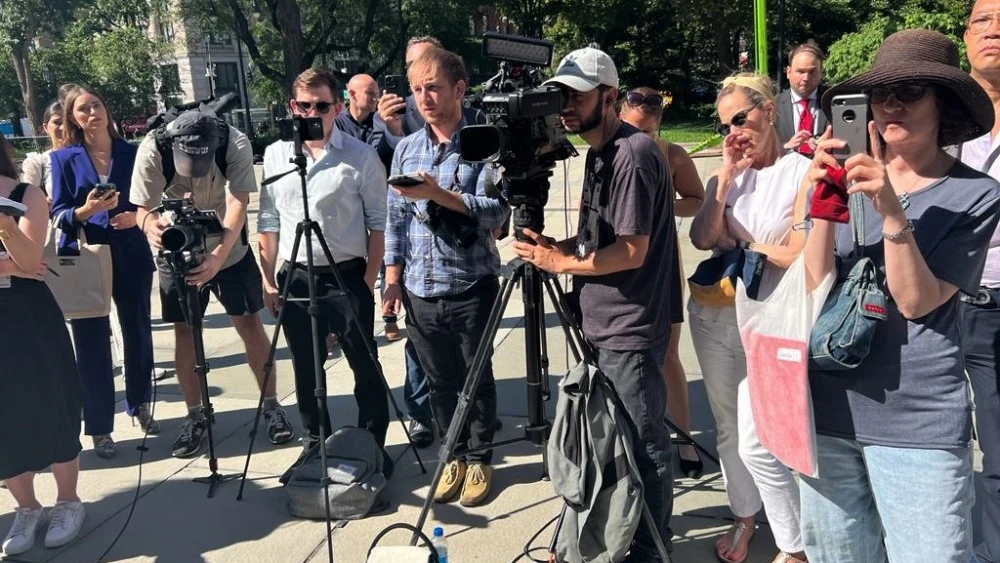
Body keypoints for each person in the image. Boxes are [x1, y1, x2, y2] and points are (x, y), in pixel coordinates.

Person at [801, 29, 1000, 562]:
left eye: (911, 91)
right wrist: (823, 201)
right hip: (826, 412)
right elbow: (814, 284)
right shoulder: (848, 175)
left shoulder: (975, 194)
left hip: (917, 423)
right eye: (882, 92)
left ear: (944, 105)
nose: (891, 104)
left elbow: (917, 302)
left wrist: (892, 211)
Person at [513, 47, 675, 562]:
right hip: (600, 318)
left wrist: (559, 266)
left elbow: (632, 250)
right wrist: (560, 248)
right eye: (561, 93)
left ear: (609, 96)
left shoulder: (631, 154)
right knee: (607, 441)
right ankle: (613, 535)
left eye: (577, 94)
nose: (566, 105)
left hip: (629, 325)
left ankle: (650, 549)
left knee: (643, 446)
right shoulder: (599, 152)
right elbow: (600, 242)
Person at [687, 73, 812, 563]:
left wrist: (738, 237)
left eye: (741, 117)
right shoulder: (728, 174)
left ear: (769, 111)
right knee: (729, 428)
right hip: (714, 313)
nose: (734, 131)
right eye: (724, 125)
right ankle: (744, 515)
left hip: (772, 319)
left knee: (770, 432)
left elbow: (798, 253)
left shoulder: (802, 171)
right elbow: (701, 238)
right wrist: (723, 183)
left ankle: (794, 540)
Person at [381, 47, 509, 507]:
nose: (423, 98)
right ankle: (451, 453)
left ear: (459, 88)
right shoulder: (407, 149)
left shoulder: (484, 144)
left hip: (470, 283)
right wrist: (391, 279)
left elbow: (497, 214)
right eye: (417, 89)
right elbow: (396, 219)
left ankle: (479, 458)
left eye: (432, 86)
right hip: (418, 287)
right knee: (438, 380)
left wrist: (441, 195)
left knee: (476, 376)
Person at [132, 107, 295, 459]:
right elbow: (141, 207)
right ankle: (195, 415)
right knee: (185, 331)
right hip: (176, 249)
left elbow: (239, 200)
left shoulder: (233, 142)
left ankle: (271, 406)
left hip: (228, 246)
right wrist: (151, 226)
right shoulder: (152, 147)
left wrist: (219, 255)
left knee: (250, 322)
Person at [258, 67, 390, 465]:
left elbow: (378, 224)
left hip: (346, 273)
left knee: (364, 363)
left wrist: (368, 281)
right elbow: (268, 220)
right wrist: (267, 279)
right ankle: (316, 443)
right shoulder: (277, 152)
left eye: (321, 105)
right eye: (303, 105)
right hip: (295, 274)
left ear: (337, 107)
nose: (311, 112)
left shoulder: (361, 155)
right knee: (306, 366)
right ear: (292, 106)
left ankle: (372, 442)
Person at [49, 84, 158, 459]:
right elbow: (58, 213)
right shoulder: (64, 159)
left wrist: (138, 215)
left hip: (131, 251)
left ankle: (140, 403)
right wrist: (85, 211)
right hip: (88, 256)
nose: (92, 113)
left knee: (138, 331)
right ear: (73, 120)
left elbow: (154, 199)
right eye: (83, 110)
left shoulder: (135, 152)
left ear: (107, 109)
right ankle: (98, 427)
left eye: (97, 105)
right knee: (91, 343)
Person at [0, 135, 87, 556]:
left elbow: (33, 262)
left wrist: (3, 222)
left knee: (53, 399)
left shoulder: (24, 194)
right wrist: (10, 263)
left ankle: (67, 500)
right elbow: (20, 263)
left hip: (29, 315)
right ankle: (26, 507)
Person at [618, 87, 707, 478]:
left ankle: (684, 439)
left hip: (661, 259)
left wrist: (661, 206)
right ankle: (626, 442)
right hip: (618, 260)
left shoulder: (672, 154)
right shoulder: (607, 152)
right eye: (632, 128)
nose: (640, 138)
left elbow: (696, 199)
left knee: (669, 353)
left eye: (649, 131)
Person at [961, 4, 1000, 560]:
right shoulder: (933, 118)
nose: (995, 31)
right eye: (983, 19)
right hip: (945, 302)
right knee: (935, 446)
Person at [336, 73, 407, 343]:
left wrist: (392, 128)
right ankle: (341, 322)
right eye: (370, 92)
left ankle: (389, 317)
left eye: (377, 91)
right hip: (350, 202)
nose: (377, 97)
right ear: (351, 94)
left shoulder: (384, 119)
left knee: (385, 259)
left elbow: (392, 153)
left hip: (383, 199)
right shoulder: (338, 124)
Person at [776, 42, 827, 156]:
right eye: (800, 71)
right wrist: (786, 147)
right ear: (788, 72)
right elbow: (762, 151)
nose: (806, 78)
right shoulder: (773, 107)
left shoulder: (835, 102)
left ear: (821, 72)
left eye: (812, 72)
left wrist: (829, 145)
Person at [20, 101, 63, 193]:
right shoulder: (38, 164)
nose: (63, 127)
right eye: (57, 122)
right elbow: (28, 200)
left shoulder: (91, 156)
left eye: (69, 122)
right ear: (46, 127)